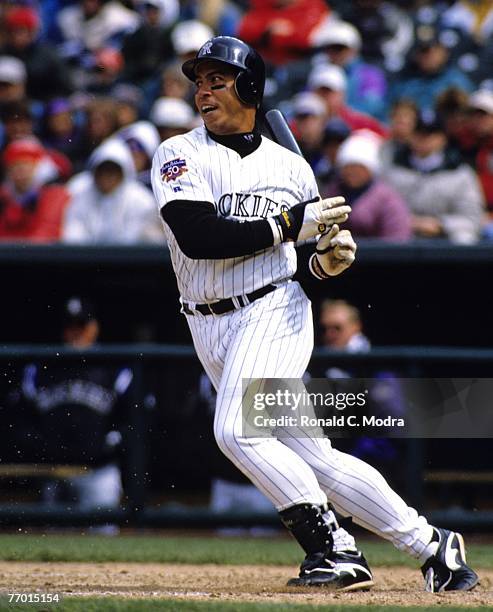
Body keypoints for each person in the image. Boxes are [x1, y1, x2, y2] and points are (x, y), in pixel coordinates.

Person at [151, 35, 478, 593]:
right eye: (199, 80)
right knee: (316, 460)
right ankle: (432, 546)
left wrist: (326, 263)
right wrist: (287, 228)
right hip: (207, 320)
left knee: (236, 430)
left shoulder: (292, 168)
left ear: (250, 87)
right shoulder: (180, 154)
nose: (203, 90)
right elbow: (198, 236)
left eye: (217, 79)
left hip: (273, 311)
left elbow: (302, 265)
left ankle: (333, 548)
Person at [14, 297, 130, 514]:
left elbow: (134, 417)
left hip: (97, 472)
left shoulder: (113, 367)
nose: (75, 333)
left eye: (82, 326)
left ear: (95, 327)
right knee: (50, 539)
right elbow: (21, 417)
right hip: (52, 471)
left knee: (103, 540)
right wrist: (39, 444)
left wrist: (112, 442)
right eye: (70, 326)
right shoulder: (42, 367)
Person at [384, 111, 484, 244]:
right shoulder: (392, 170)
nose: (424, 139)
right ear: (411, 136)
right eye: (419, 133)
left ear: (443, 138)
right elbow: (380, 211)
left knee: (465, 238)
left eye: (431, 134)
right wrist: (408, 221)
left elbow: (472, 219)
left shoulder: (461, 173)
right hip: (403, 237)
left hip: (446, 241)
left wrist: (440, 224)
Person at [63, 138, 163, 244]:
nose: (106, 176)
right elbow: (73, 236)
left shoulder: (142, 201)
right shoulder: (79, 193)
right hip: (86, 259)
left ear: (124, 172)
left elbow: (134, 241)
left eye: (113, 171)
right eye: (102, 170)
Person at [322, 132, 412, 241]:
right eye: (348, 166)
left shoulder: (386, 199)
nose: (352, 172)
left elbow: (397, 237)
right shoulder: (333, 193)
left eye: (359, 167)